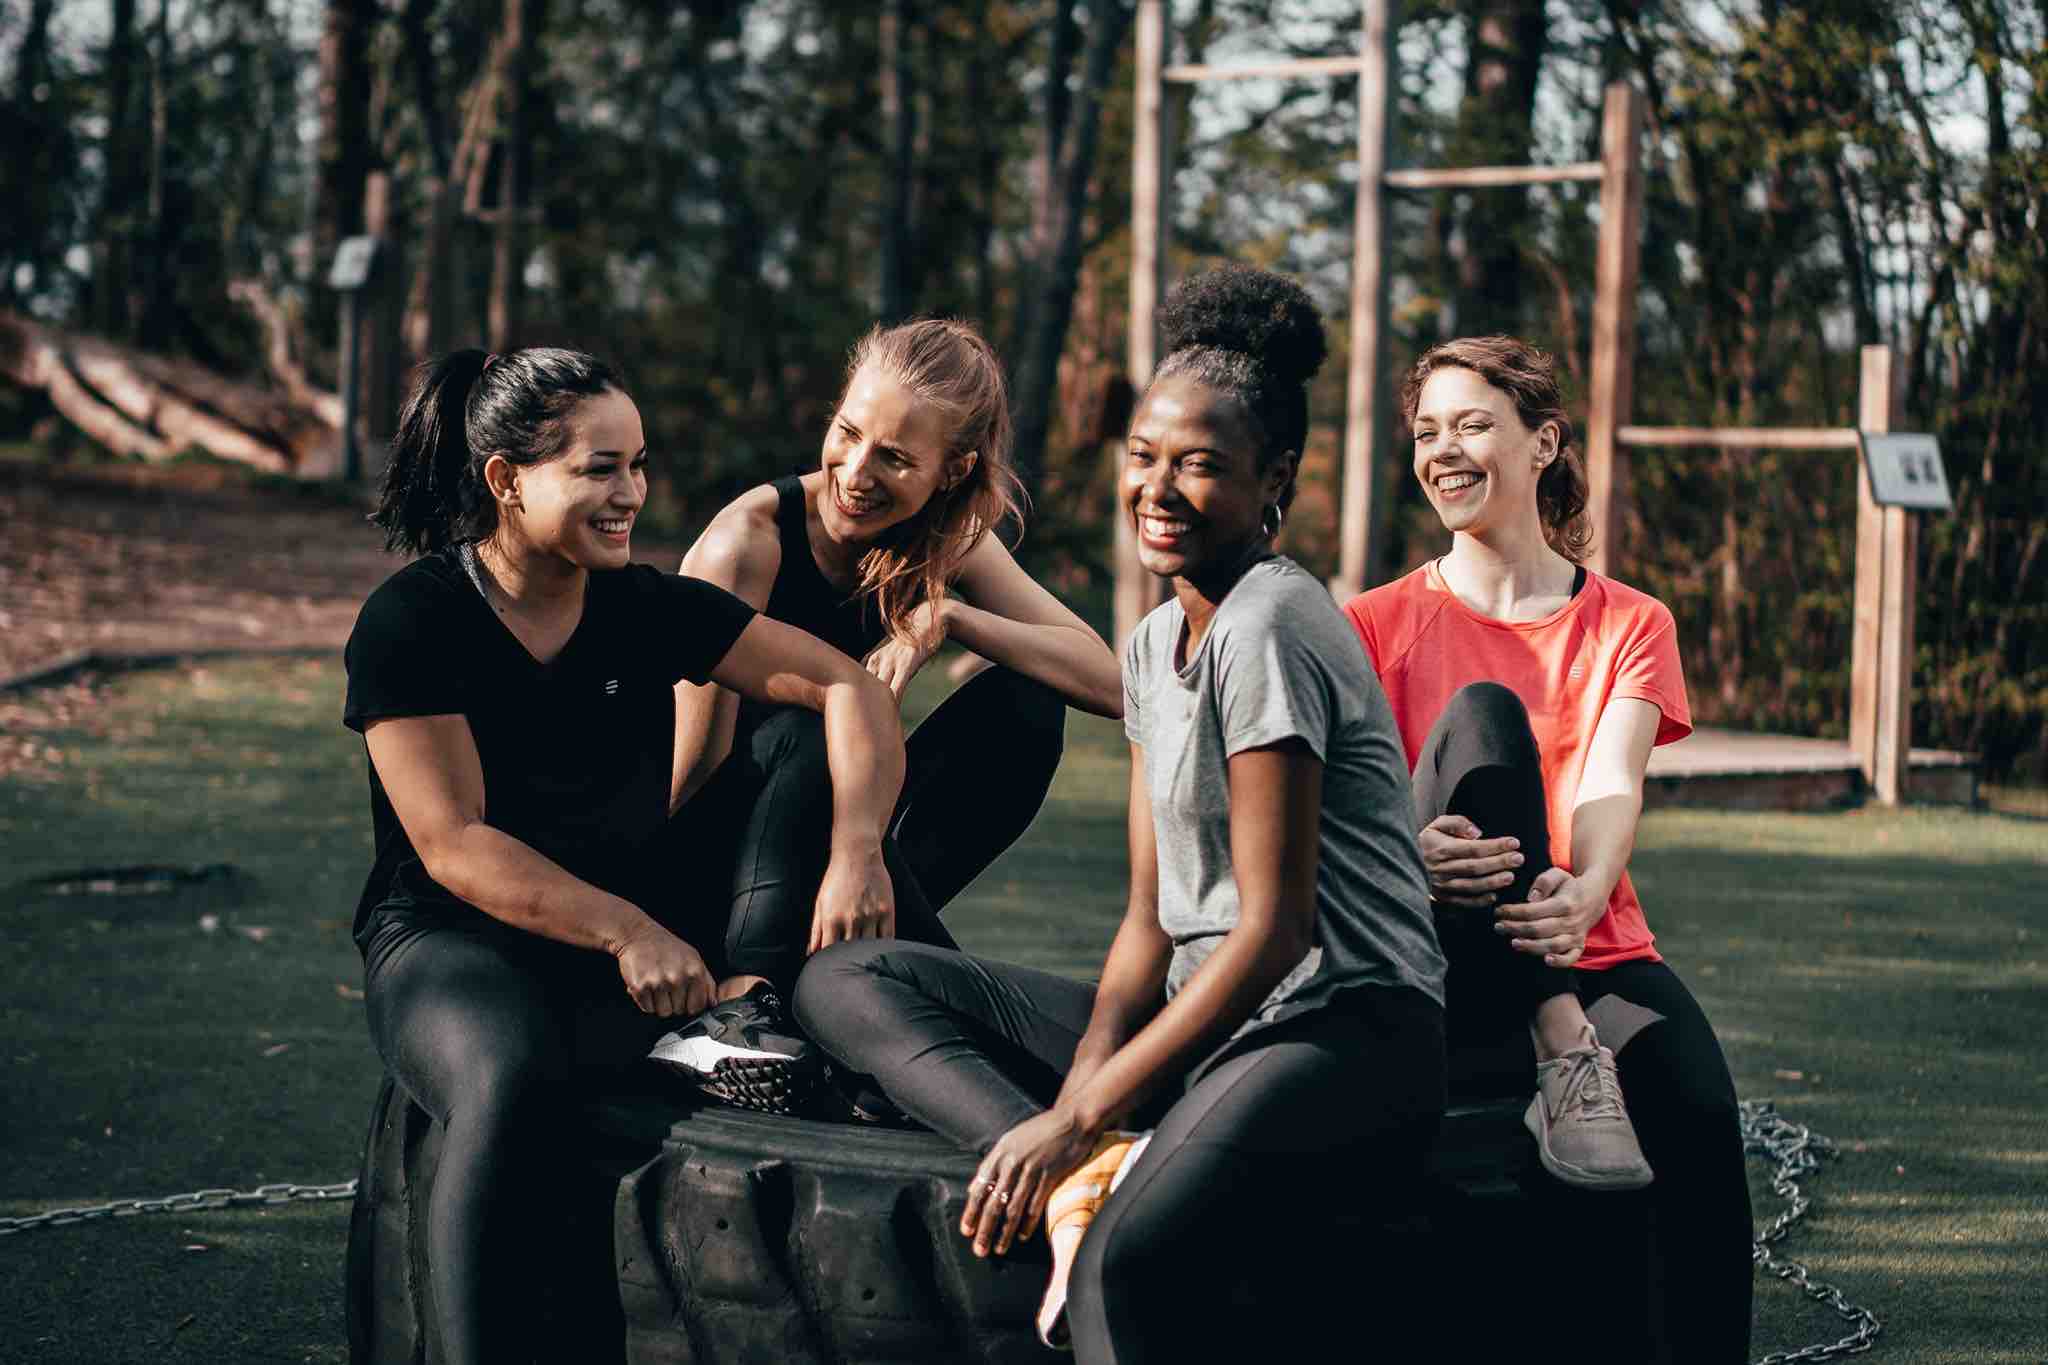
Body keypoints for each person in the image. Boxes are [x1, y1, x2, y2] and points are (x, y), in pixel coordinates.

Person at [793, 267, 1448, 1362]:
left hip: (1340, 1031)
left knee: (1121, 1267)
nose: (1157, 487)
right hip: (1207, 1021)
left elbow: (1274, 930)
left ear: (1272, 477)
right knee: (845, 979)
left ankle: (1094, 1160)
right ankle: (1085, 1163)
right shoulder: (1149, 643)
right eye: (1142, 457)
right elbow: (1150, 918)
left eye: (1199, 465)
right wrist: (1080, 1101)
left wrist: (1081, 1105)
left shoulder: (1271, 625)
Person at [342, 347, 907, 1365]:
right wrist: (627, 930)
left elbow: (847, 689)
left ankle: (743, 1008)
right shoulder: (412, 620)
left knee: (787, 751)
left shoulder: (649, 607)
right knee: (511, 1076)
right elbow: (453, 844)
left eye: (638, 466)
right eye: (599, 469)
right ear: (506, 482)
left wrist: (858, 850)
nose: (632, 495)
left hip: (625, 939)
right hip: (451, 941)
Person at [1343, 335, 1752, 1360]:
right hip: (1430, 951)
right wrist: (1405, 845)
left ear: (1541, 442)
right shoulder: (1366, 624)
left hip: (1584, 941)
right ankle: (1555, 1035)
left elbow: (1612, 778)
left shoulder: (1628, 619)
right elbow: (1339, 809)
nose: (1442, 450)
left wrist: (1588, 888)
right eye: (1426, 431)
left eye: (1472, 424)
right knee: (1481, 723)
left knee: (1695, 1104)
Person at [660, 318, 1121, 1100]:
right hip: (731, 869)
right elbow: (688, 776)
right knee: (815, 715)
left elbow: (1110, 682)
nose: (856, 472)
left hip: (853, 852)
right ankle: (749, 1004)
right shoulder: (747, 545)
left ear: (953, 470)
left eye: (897, 458)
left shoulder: (949, 539)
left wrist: (953, 618)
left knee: (1026, 702)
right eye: (848, 433)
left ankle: (870, 971)